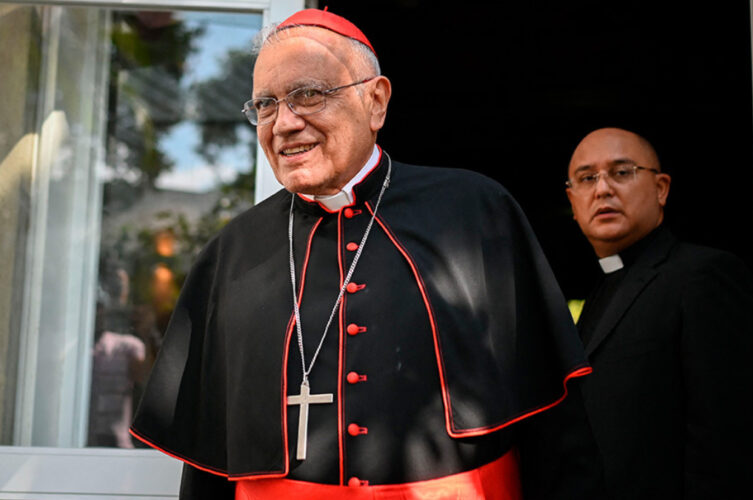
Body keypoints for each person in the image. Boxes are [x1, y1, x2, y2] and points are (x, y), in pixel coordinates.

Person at [131, 9, 602, 499]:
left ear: (375, 101)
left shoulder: (475, 213)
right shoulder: (232, 252)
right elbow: (207, 465)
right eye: (265, 105)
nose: (285, 123)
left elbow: (553, 427)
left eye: (308, 95)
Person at [566, 127, 753, 499]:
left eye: (622, 172)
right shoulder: (601, 291)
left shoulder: (704, 275)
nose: (603, 189)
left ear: (661, 189)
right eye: (586, 178)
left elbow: (731, 441)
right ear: (572, 202)